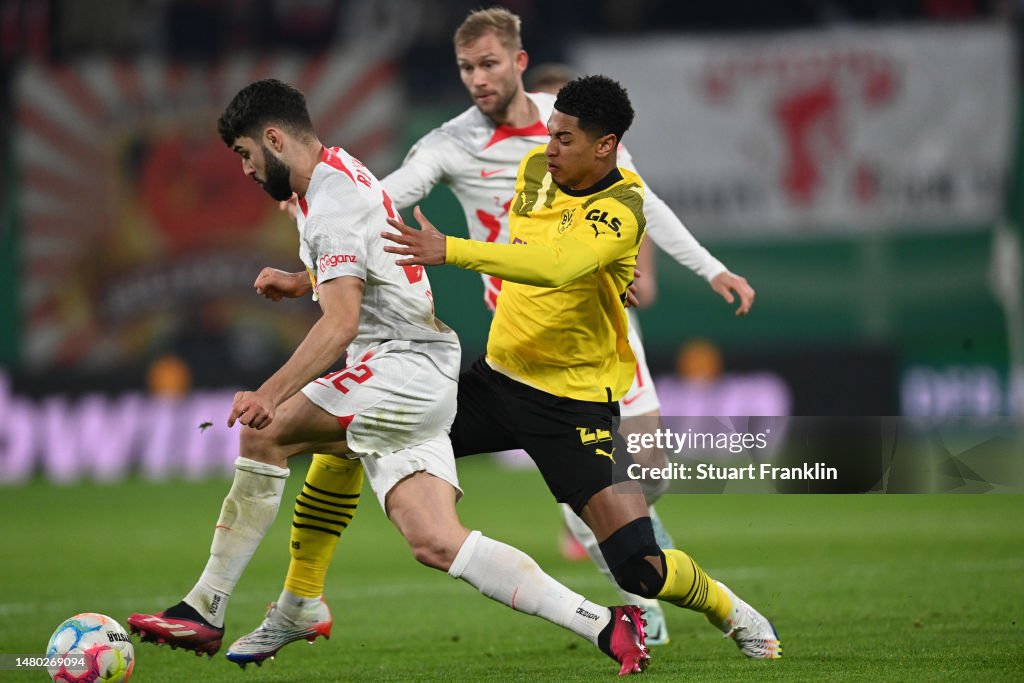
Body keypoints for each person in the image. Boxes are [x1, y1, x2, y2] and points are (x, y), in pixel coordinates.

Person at [229, 6, 757, 661]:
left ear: (521, 64)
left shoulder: (594, 162)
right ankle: (299, 602)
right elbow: (378, 212)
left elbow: (577, 247)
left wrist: (706, 268)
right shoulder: (469, 148)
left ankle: (691, 597)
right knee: (352, 423)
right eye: (466, 67)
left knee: (641, 522)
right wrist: (316, 240)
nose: (478, 79)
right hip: (504, 372)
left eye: (489, 64)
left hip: (584, 377)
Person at [126, 78, 650, 677]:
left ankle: (205, 607)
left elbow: (341, 323)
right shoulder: (332, 173)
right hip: (413, 369)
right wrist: (303, 279)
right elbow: (362, 254)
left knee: (265, 433)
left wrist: (269, 394)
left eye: (246, 154)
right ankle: (606, 624)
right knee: (435, 540)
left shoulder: (328, 203)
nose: (244, 170)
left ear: (274, 139)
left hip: (403, 367)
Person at [381, 73, 780, 661]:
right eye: (549, 134)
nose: (548, 149)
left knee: (641, 569)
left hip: (574, 408)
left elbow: (555, 266)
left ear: (606, 145)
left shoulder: (623, 209)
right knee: (364, 427)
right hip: (498, 380)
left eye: (565, 139)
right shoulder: (537, 172)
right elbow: (532, 259)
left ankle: (730, 609)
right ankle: (299, 599)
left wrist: (452, 251)